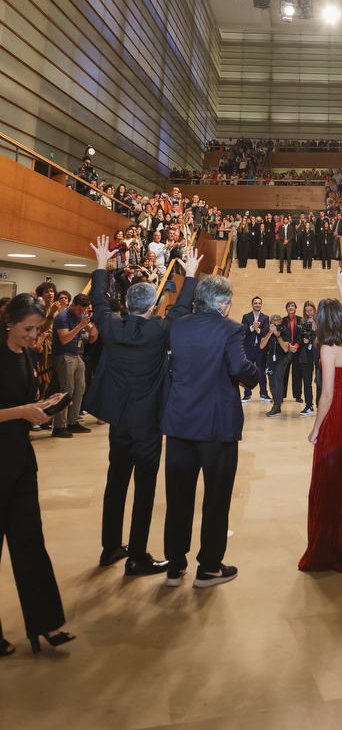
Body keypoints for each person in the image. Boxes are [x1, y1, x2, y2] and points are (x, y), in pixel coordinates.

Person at [86, 235, 201, 576]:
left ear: (126, 304)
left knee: (115, 483)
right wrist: (191, 273)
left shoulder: (110, 326)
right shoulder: (159, 330)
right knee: (144, 490)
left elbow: (98, 301)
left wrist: (101, 265)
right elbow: (180, 309)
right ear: (152, 307)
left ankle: (109, 547)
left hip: (118, 421)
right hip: (148, 423)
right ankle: (136, 556)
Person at [161, 275, 259, 588]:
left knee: (178, 499)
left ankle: (175, 567)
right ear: (220, 302)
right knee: (216, 500)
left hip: (180, 422)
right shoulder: (231, 329)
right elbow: (240, 368)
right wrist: (255, 375)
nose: (229, 306)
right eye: (228, 301)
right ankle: (209, 569)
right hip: (217, 425)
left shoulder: (178, 326)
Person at [0, 295, 74, 655]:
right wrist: (21, 411)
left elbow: (24, 402)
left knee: (31, 545)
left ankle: (46, 623)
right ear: (9, 322)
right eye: (28, 329)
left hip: (21, 464)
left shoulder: (27, 355)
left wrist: (45, 405)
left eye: (37, 329)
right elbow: (13, 409)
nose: (34, 336)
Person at [298, 264, 342, 574]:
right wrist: (341, 284)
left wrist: (315, 429)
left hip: (340, 412)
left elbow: (326, 395)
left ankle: (328, 549)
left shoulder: (329, 348)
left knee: (331, 483)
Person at [51, 292, 97, 438]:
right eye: (79, 309)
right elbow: (64, 339)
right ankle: (58, 426)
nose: (81, 312)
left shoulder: (81, 316)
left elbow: (93, 335)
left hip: (76, 355)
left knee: (80, 389)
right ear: (73, 305)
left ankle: (73, 421)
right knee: (66, 391)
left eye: (84, 310)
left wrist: (97, 320)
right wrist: (80, 326)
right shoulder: (62, 317)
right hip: (63, 355)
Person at [240, 297, 269, 403]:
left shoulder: (265, 317)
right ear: (252, 304)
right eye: (255, 303)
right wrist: (252, 327)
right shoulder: (246, 317)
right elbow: (243, 331)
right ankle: (247, 394)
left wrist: (258, 329)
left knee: (262, 371)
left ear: (261, 305)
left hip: (261, 349)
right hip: (249, 349)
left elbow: (266, 332)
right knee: (247, 371)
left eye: (259, 303)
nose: (257, 305)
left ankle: (263, 393)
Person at [260, 315, 290, 414]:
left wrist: (278, 336)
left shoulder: (284, 330)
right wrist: (270, 332)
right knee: (271, 381)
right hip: (270, 357)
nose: (277, 327)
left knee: (278, 379)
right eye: (274, 325)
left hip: (282, 357)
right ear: (270, 324)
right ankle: (276, 402)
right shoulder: (266, 330)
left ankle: (277, 405)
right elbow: (262, 345)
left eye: (279, 324)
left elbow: (285, 348)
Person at [296, 302, 318, 416]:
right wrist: (303, 341)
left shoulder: (320, 322)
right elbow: (298, 340)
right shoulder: (302, 323)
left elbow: (325, 338)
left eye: (311, 310)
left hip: (318, 354)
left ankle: (320, 404)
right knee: (307, 382)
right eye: (307, 311)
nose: (309, 313)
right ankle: (309, 405)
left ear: (314, 310)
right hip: (306, 354)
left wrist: (315, 330)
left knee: (319, 381)